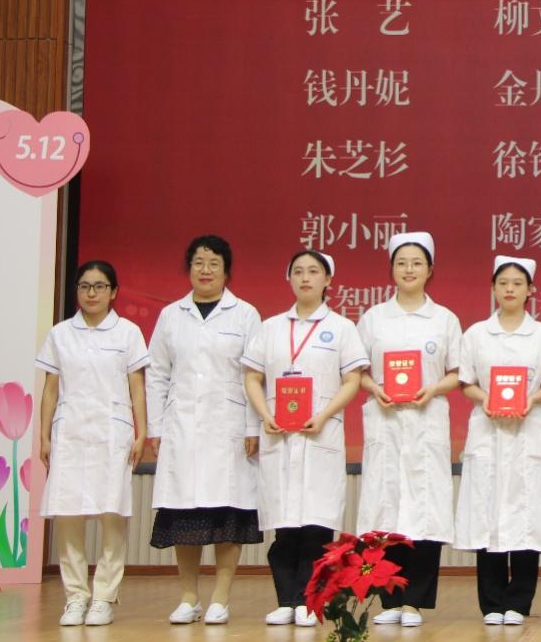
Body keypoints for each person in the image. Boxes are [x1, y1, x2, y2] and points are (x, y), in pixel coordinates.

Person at [242, 250, 367, 627]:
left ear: (328, 281)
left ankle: (311, 601)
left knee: (316, 526)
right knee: (284, 527)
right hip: (280, 435)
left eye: (314, 271)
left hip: (319, 433)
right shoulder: (270, 328)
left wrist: (324, 415)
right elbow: (252, 377)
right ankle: (286, 600)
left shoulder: (342, 328)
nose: (305, 277)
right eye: (298, 271)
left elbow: (353, 380)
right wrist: (265, 416)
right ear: (289, 279)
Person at [146, 235, 263, 625]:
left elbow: (255, 375)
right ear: (189, 268)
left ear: (226, 270)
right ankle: (188, 597)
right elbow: (157, 374)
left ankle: (220, 598)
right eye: (198, 262)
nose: (206, 270)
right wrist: (155, 427)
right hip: (181, 427)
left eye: (214, 263)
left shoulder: (245, 314)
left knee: (227, 512)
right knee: (184, 513)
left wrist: (253, 425)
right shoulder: (171, 316)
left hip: (230, 428)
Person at [355, 232, 462, 628]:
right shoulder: (373, 318)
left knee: (425, 509)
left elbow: (458, 373)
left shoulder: (444, 319)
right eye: (401, 263)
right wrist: (375, 389)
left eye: (417, 263)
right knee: (386, 507)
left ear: (430, 270)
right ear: (391, 270)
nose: (409, 269)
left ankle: (415, 601)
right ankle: (390, 601)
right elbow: (357, 371)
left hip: (425, 420)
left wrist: (432, 389)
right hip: (386, 422)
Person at [36, 260, 149, 627]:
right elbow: (50, 389)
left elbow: (137, 388)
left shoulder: (128, 333)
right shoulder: (60, 334)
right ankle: (75, 596)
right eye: (85, 286)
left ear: (113, 292)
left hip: (112, 432)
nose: (91, 293)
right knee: (68, 514)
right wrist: (44, 435)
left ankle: (103, 596)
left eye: (100, 286)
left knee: (111, 514)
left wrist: (141, 431)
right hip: (70, 432)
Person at [454, 256, 541, 626]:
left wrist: (530, 400)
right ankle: (491, 602)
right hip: (488, 431)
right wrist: (486, 399)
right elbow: (466, 382)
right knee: (488, 514)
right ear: (493, 288)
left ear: (531, 290)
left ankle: (518, 601)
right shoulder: (476, 334)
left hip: (526, 431)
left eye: (518, 283)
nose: (510, 289)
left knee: (527, 515)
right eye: (503, 283)